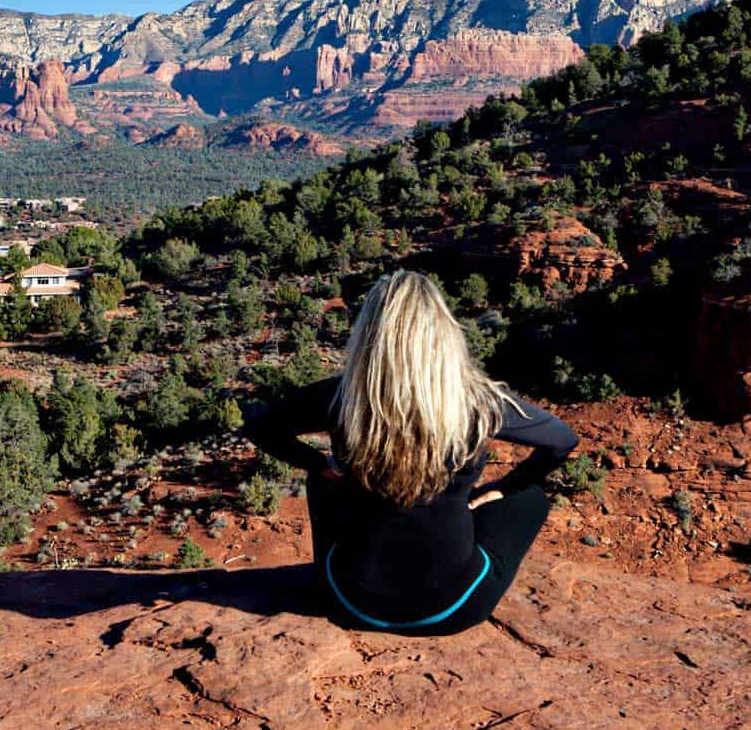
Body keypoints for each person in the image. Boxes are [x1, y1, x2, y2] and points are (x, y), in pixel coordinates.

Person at [241, 270, 578, 636]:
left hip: (349, 602)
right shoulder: (479, 402)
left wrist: (319, 464)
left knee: (323, 481)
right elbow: (561, 440)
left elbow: (261, 426)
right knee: (528, 498)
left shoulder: (339, 398)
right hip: (452, 610)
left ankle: (334, 564)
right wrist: (503, 488)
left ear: (369, 337)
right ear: (443, 336)